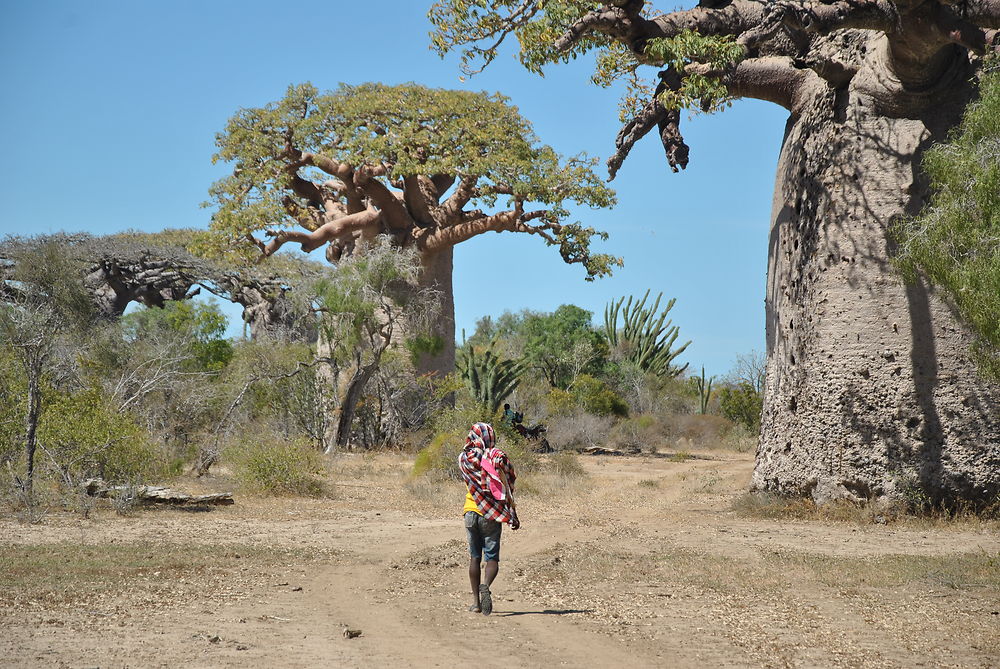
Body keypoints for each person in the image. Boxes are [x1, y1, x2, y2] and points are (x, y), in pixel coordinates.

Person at [459, 422, 520, 615]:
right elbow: (507, 482)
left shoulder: (463, 458)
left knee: (474, 557)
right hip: (491, 514)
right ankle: (486, 585)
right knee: (491, 558)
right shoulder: (496, 458)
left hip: (470, 512)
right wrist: (511, 510)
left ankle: (476, 603)